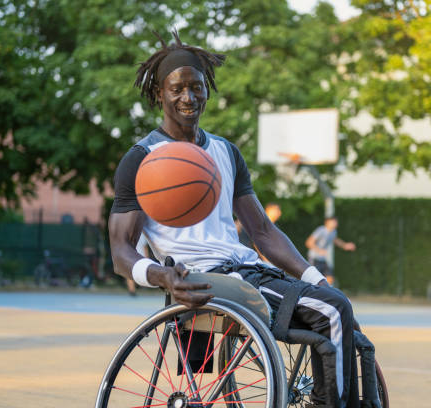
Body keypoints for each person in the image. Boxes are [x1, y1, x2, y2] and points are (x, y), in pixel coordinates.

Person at [108, 31, 360, 407]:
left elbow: (262, 231)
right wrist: (161, 275)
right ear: (159, 93)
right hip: (205, 278)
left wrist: (315, 277)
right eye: (177, 89)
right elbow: (120, 252)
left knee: (332, 300)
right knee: (333, 311)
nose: (188, 97)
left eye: (197, 87)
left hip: (247, 268)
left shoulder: (225, 152)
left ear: (208, 89)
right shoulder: (143, 158)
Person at [305, 217, 356, 286]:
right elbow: (308, 242)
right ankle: (311, 294)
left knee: (330, 278)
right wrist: (319, 250)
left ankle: (324, 295)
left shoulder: (333, 232)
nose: (335, 224)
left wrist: (345, 245)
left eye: (336, 222)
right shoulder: (321, 230)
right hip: (314, 258)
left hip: (322, 259)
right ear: (327, 223)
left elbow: (335, 240)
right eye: (333, 222)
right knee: (314, 279)